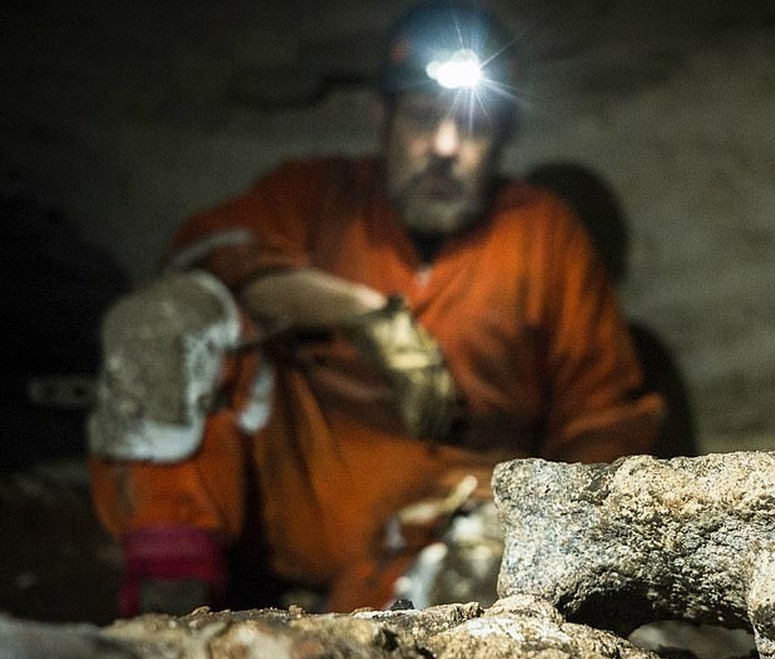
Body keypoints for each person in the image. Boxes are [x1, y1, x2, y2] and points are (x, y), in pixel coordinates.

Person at [87, 1, 664, 617]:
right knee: (171, 317)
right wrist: (361, 314)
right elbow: (199, 255)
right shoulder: (319, 196)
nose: (445, 146)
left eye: (472, 127)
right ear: (380, 118)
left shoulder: (542, 234)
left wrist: (543, 520)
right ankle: (170, 598)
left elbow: (603, 416)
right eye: (422, 118)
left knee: (477, 582)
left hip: (451, 525)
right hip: (286, 503)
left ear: (502, 139)